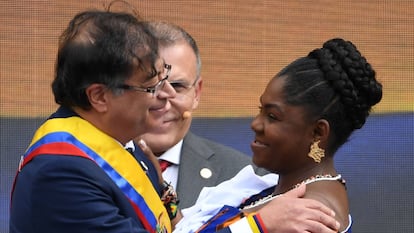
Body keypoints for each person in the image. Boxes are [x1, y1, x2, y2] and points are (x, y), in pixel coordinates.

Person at [174, 38, 383, 233]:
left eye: (273, 116)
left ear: (318, 133)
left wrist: (258, 225)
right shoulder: (281, 192)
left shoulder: (311, 218)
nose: (256, 124)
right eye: (260, 110)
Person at [9, 9, 178, 233]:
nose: (169, 93)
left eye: (163, 76)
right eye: (152, 85)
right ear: (99, 96)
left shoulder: (124, 142)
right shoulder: (61, 174)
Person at [134, 21, 263, 209]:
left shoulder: (245, 176)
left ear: (196, 93)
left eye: (177, 86)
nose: (162, 100)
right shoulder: (88, 164)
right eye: (149, 86)